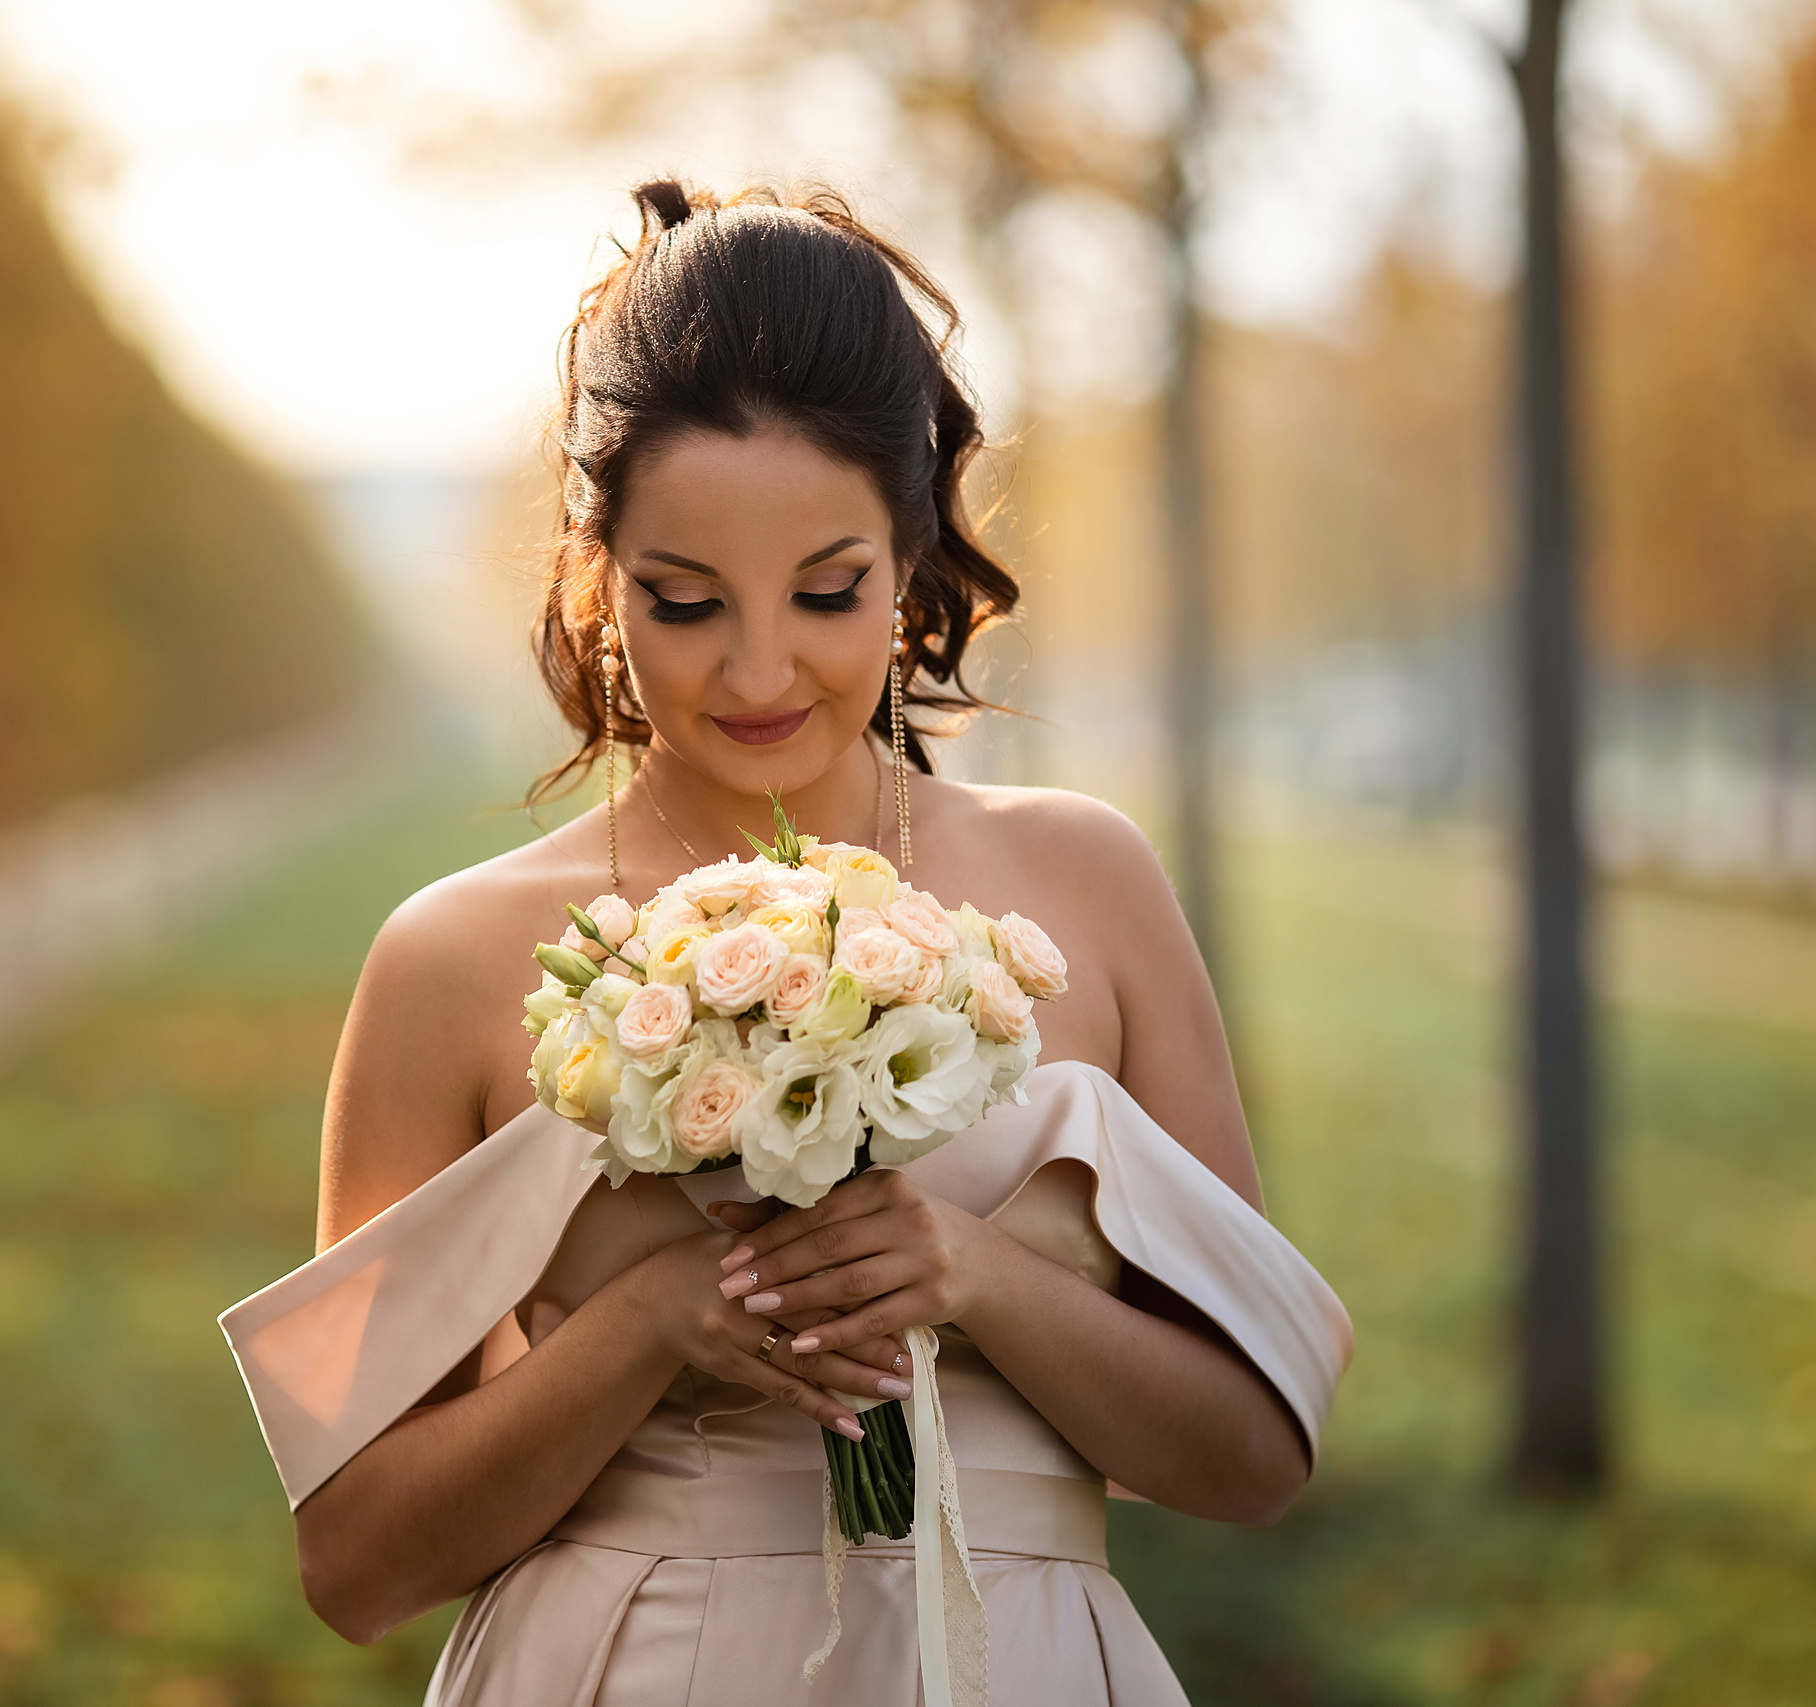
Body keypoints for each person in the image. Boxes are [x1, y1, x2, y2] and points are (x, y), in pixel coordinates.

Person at [222, 180, 1351, 1705]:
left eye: (828, 593)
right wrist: (643, 1329)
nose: (761, 670)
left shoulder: (1084, 885)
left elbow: (1256, 1458)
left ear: (914, 554)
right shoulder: (454, 961)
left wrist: (967, 1276)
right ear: (596, 573)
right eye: (684, 603)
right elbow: (354, 1564)